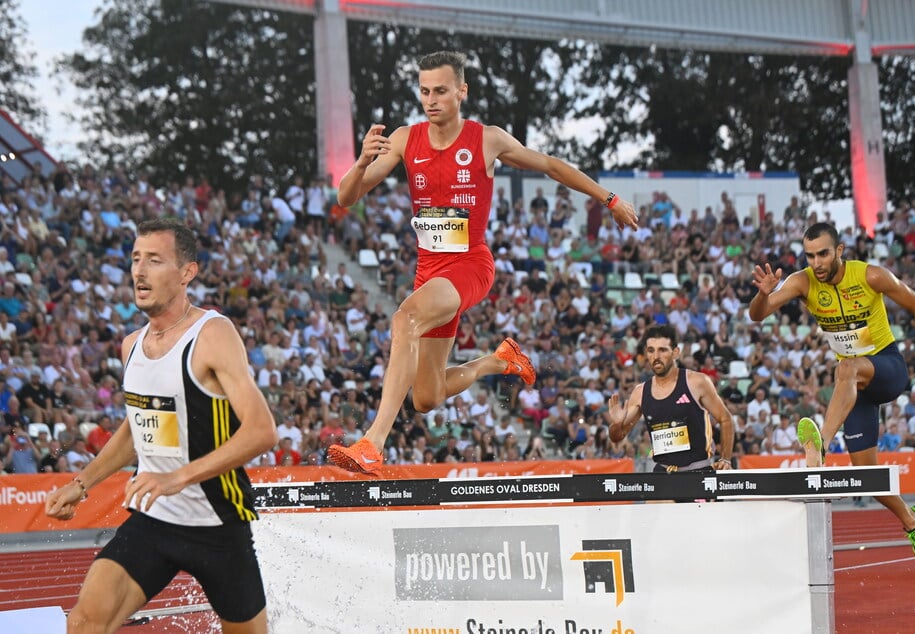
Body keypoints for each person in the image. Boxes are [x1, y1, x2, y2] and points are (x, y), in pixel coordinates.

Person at [327, 50, 637, 475]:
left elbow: (549, 165)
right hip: (429, 274)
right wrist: (362, 161)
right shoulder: (404, 139)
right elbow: (346, 198)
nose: (431, 100)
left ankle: (372, 443)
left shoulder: (485, 139)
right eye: (424, 91)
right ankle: (496, 361)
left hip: (470, 265)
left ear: (461, 91)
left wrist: (610, 198)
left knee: (404, 319)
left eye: (440, 90)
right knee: (426, 398)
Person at [44, 217, 279, 633]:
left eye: (154, 260)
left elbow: (262, 431)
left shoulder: (212, 334)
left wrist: (177, 477)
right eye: (136, 259)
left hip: (217, 525)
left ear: (186, 272)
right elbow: (137, 428)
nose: (139, 270)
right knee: (83, 622)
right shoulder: (132, 345)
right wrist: (81, 484)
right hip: (153, 519)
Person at [749, 221, 915, 563]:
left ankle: (820, 448)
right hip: (855, 389)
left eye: (822, 254)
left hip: (887, 368)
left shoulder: (870, 276)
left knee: (845, 366)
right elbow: (757, 315)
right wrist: (763, 293)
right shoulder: (802, 282)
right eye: (809, 255)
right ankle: (912, 521)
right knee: (868, 477)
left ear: (839, 251)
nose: (816, 262)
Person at [606, 324, 735, 477]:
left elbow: (725, 419)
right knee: (655, 501)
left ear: (675, 353)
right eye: (651, 350)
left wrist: (725, 459)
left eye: (662, 350)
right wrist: (617, 424)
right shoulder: (640, 392)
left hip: (698, 471)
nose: (656, 356)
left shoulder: (697, 382)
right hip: (662, 472)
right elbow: (617, 437)